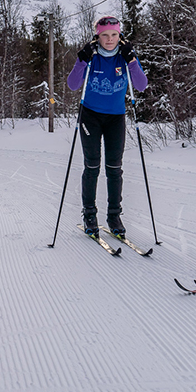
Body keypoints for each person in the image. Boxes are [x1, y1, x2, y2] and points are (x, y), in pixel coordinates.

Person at [66, 15, 148, 238]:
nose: (110, 39)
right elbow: (73, 85)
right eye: (105, 35)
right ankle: (89, 215)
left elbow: (141, 85)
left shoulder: (125, 56)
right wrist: (81, 60)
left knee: (114, 168)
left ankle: (114, 216)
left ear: (119, 35)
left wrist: (132, 61)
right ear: (98, 36)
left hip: (116, 118)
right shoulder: (91, 56)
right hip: (90, 117)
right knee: (92, 166)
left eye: (114, 34)